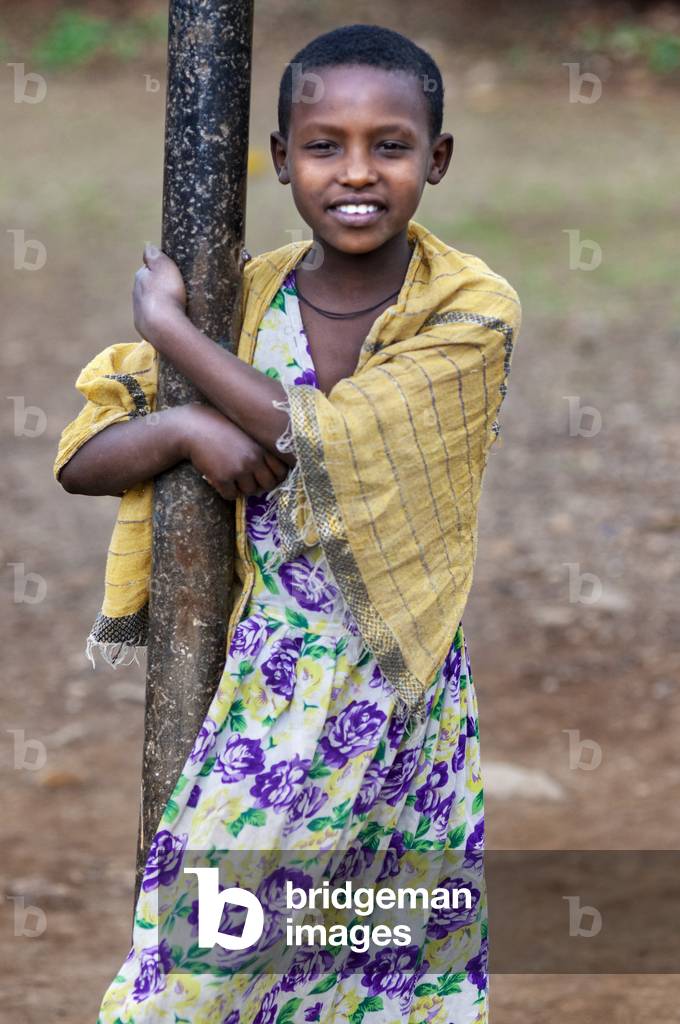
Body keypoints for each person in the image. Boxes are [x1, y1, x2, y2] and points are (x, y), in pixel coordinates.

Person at [55, 23, 522, 1024]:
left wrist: (169, 330)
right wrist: (181, 425)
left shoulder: (469, 309)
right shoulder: (247, 301)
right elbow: (85, 455)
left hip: (402, 690)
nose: (356, 172)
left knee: (379, 973)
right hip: (273, 690)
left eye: (389, 146)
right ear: (278, 158)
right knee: (196, 963)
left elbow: (328, 438)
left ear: (436, 158)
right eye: (323, 145)